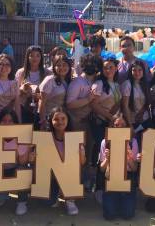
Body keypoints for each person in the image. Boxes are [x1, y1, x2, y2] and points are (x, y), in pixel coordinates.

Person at [0, 108, 34, 215]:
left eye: (10, 120)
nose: (7, 123)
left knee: (24, 170)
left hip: (15, 170)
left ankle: (22, 201)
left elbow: (22, 162)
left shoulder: (21, 138)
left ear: (15, 123)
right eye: (4, 120)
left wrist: (25, 148)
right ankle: (4, 192)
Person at [66, 53, 102, 191]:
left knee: (88, 154)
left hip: (90, 123)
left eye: (94, 64)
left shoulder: (96, 82)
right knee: (77, 154)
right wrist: (88, 100)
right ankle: (74, 182)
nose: (91, 67)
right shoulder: (77, 82)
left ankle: (85, 181)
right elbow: (69, 104)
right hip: (77, 123)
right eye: (89, 64)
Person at [46, 106, 86, 215]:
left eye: (63, 118)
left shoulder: (74, 137)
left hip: (69, 175)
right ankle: (58, 192)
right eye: (56, 119)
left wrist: (81, 154)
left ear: (68, 120)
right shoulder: (45, 138)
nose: (60, 122)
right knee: (49, 203)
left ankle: (70, 200)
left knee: (78, 173)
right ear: (51, 121)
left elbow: (82, 163)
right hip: (52, 175)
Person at [98, 116, 139, 220]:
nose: (120, 127)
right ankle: (103, 195)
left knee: (128, 215)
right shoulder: (105, 142)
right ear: (112, 126)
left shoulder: (132, 142)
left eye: (123, 125)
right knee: (110, 215)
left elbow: (134, 169)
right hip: (111, 177)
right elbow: (102, 169)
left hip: (127, 177)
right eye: (116, 125)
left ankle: (119, 199)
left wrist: (129, 157)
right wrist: (107, 159)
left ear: (127, 127)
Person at [91, 58, 121, 166]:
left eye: (111, 67)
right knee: (101, 149)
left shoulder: (117, 84)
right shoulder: (99, 83)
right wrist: (110, 117)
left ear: (116, 68)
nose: (108, 70)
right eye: (105, 68)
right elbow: (93, 105)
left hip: (111, 122)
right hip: (99, 121)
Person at [15, 45, 51, 128]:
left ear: (41, 57)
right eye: (31, 55)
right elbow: (15, 92)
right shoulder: (21, 72)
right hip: (23, 107)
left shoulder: (47, 73)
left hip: (41, 109)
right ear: (27, 57)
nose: (35, 58)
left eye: (37, 55)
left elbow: (51, 92)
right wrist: (22, 89)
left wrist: (41, 95)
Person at [38, 55, 72, 130]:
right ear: (54, 67)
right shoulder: (50, 80)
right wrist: (43, 121)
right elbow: (41, 102)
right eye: (58, 65)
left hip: (63, 120)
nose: (62, 68)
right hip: (50, 119)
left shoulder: (69, 80)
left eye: (64, 65)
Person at [121, 60, 151, 142]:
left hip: (145, 121)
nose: (137, 73)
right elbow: (125, 106)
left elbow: (147, 103)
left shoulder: (145, 84)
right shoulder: (127, 84)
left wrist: (142, 113)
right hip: (133, 122)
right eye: (134, 70)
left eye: (140, 70)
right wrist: (130, 125)